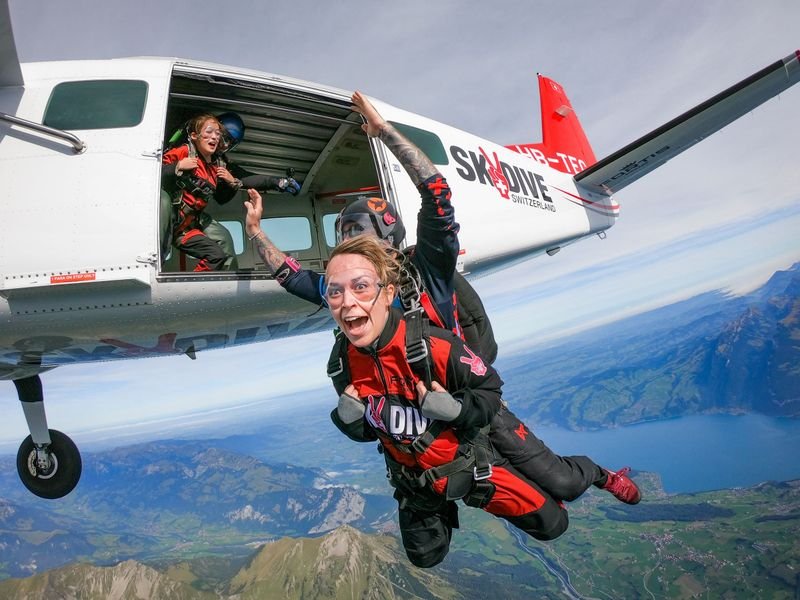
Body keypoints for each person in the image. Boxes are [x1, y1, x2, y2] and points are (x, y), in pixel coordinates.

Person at [245, 92, 640, 507]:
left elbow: (436, 191)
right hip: (422, 417)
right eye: (346, 238)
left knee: (561, 483)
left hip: (467, 398)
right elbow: (291, 276)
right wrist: (254, 231)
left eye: (357, 235)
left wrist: (384, 133)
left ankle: (599, 474)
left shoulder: (427, 269)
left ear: (386, 238)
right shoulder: (349, 294)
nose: (349, 250)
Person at [325, 235, 639, 567]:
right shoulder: (343, 363)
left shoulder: (432, 345)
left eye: (360, 286)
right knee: (425, 556)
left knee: (560, 505)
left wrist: (456, 410)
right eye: (334, 291)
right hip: (415, 475)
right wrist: (349, 421)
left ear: (387, 293)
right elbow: (374, 429)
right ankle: (440, 503)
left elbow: (490, 389)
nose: (346, 301)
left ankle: (601, 474)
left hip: (475, 455)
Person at [161, 112, 300, 271]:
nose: (224, 144)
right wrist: (178, 167)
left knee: (224, 240)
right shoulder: (184, 149)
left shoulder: (220, 164)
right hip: (171, 211)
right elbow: (156, 172)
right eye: (223, 137)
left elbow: (247, 178)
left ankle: (218, 285)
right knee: (163, 200)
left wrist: (279, 182)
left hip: (191, 219)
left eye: (229, 143)